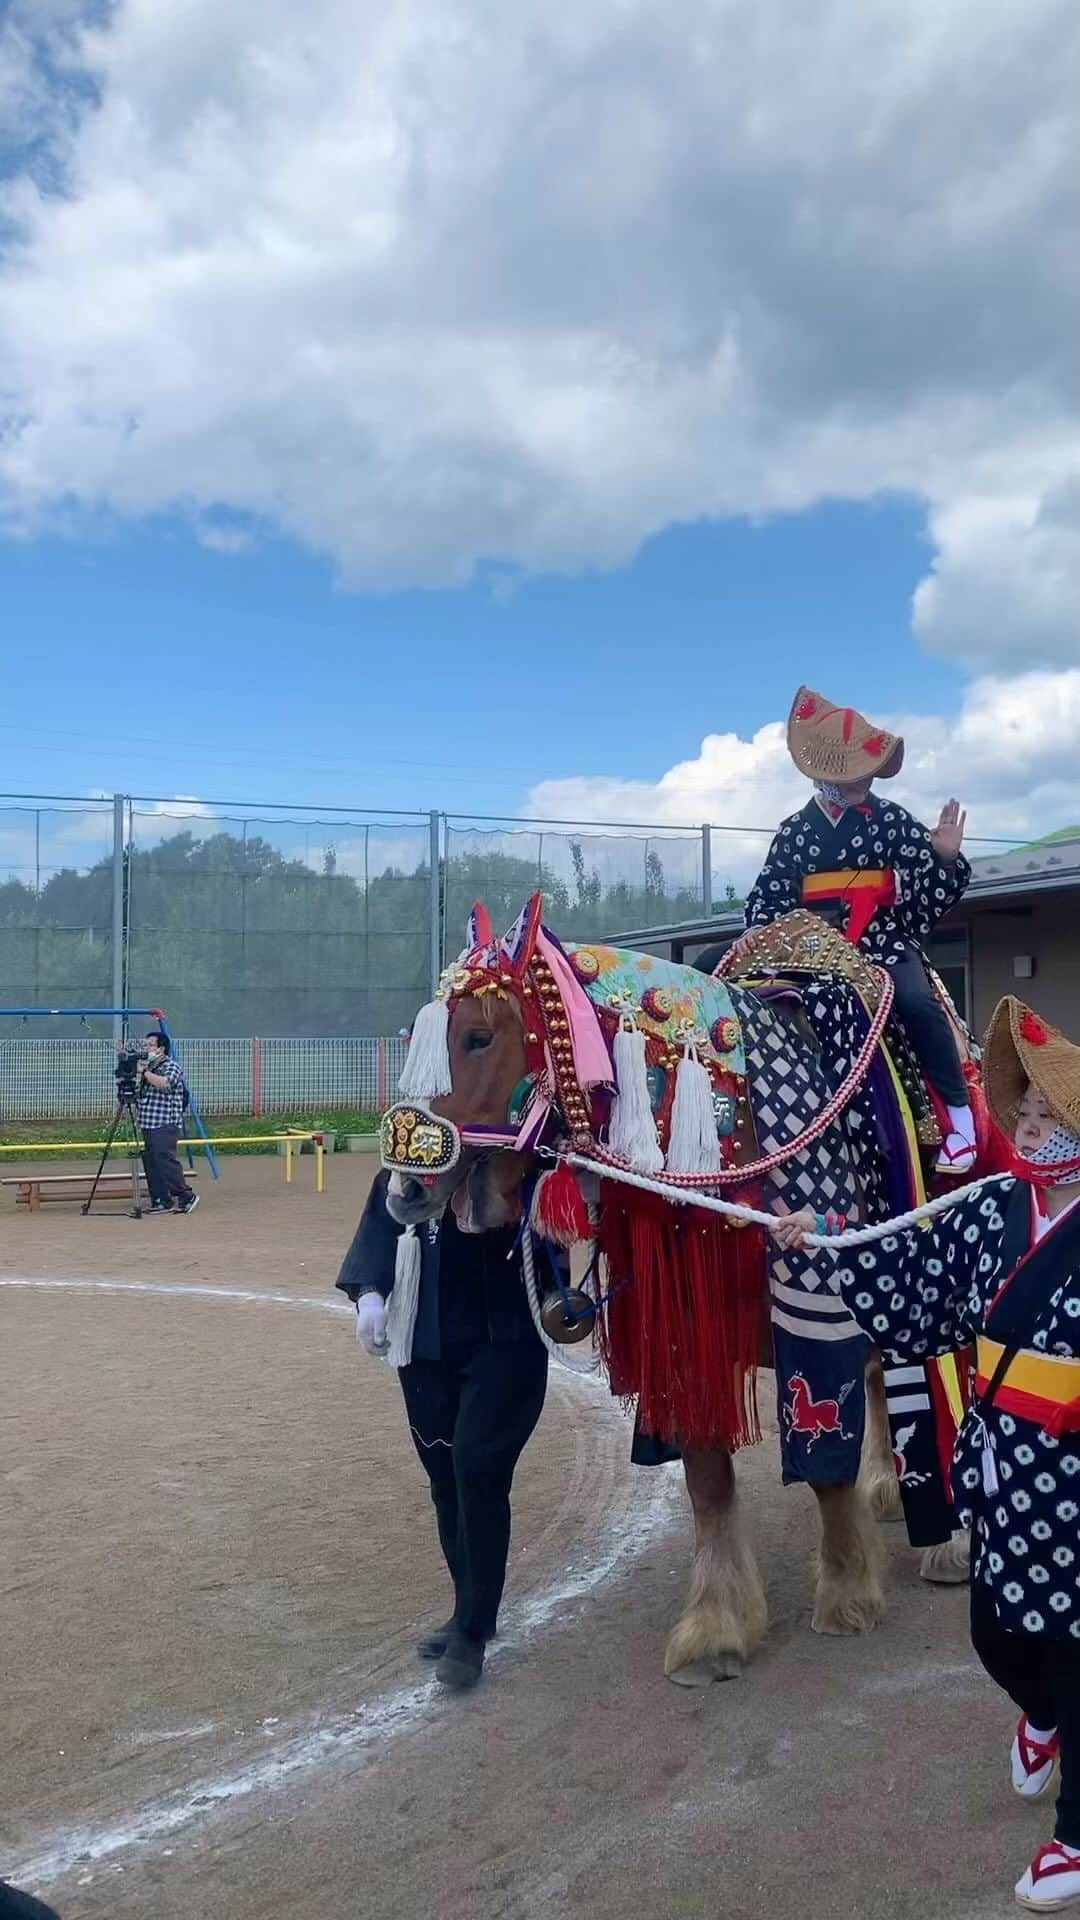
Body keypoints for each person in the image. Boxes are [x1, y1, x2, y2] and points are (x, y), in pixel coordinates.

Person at [770, 995, 1080, 1913]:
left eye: (1047, 1114)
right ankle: (1046, 1715)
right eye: (1021, 1111)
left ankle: (1074, 1833)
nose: (1028, 1125)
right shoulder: (993, 1205)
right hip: (1004, 1463)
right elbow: (904, 1256)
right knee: (998, 1635)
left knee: (1073, 1643)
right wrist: (822, 1239)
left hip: (1077, 1473)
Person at [745, 685, 976, 1173]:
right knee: (715, 972)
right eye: (854, 777)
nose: (863, 784)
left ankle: (960, 1121)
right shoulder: (792, 832)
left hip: (879, 940)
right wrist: (761, 934)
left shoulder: (892, 820)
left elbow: (931, 886)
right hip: (805, 943)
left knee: (916, 1002)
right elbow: (768, 897)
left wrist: (945, 858)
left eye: (866, 776)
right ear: (826, 776)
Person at [337, 1171, 549, 1690]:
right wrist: (368, 1292)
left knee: (476, 1469)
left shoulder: (518, 1154)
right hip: (426, 1340)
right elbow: (380, 1223)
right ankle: (467, 1607)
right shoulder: (409, 1154)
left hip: (501, 1338)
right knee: (444, 1482)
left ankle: (472, 1632)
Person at [136, 1030, 198, 1215]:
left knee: (165, 1160)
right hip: (148, 1122)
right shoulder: (149, 1069)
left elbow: (165, 1083)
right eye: (145, 1045)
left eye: (150, 1045)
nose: (147, 1048)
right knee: (151, 1161)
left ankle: (186, 1195)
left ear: (161, 1048)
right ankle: (161, 1199)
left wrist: (145, 1072)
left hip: (165, 1122)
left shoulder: (171, 1067)